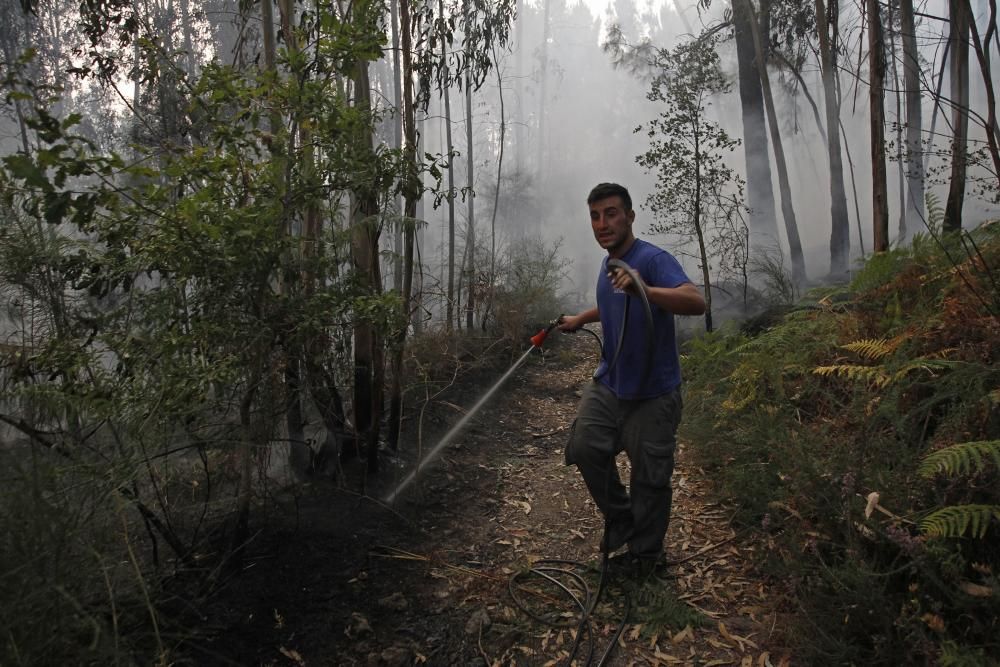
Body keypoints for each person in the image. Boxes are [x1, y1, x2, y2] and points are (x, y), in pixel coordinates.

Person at [558, 182, 706, 576]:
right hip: (610, 383)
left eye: (610, 213)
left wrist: (646, 287)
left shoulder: (653, 259)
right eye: (595, 216)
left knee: (650, 479)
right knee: (585, 446)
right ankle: (622, 520)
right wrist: (580, 319)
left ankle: (645, 559)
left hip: (653, 394)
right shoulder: (609, 264)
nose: (602, 223)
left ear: (629, 216)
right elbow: (613, 307)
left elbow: (695, 301)